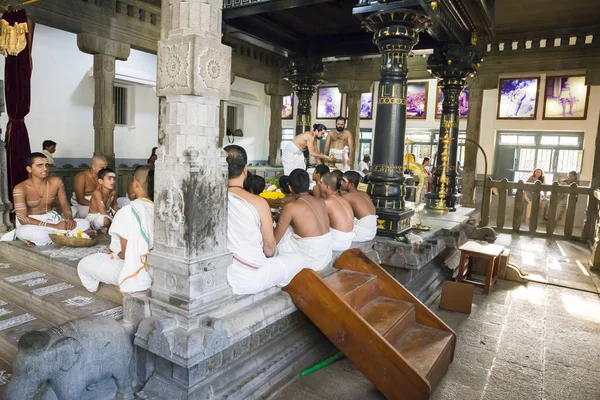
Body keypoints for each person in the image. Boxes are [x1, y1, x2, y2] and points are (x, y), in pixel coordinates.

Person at [223, 145, 304, 295]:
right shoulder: (258, 203)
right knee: (299, 260)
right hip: (248, 276)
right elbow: (269, 248)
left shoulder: (212, 199)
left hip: (221, 272)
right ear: (245, 169)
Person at [77, 166, 154, 293]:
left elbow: (125, 255)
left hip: (138, 271)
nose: (112, 181)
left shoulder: (129, 211)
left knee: (85, 263)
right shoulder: (163, 210)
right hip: (161, 269)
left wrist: (114, 252)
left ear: (135, 184)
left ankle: (97, 291)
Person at [1, 153, 90, 246]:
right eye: (40, 165)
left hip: (51, 219)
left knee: (85, 223)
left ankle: (56, 235)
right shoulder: (20, 188)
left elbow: (64, 204)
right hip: (31, 224)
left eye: (46, 165)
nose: (45, 168)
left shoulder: (57, 182)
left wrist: (69, 219)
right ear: (29, 169)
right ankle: (64, 234)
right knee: (37, 234)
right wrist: (55, 226)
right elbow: (23, 219)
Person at [275, 169, 333, 271]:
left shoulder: (290, 207)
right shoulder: (321, 201)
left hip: (309, 260)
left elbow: (276, 240)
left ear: (290, 187)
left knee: (283, 233)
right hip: (326, 255)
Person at [320, 172, 355, 251]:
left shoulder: (327, 203)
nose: (320, 184)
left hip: (336, 243)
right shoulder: (344, 200)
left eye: (321, 183)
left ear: (327, 187)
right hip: (348, 242)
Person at [342, 171, 377, 242]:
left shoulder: (347, 196)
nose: (341, 183)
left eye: (344, 181)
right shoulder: (364, 194)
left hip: (362, 234)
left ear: (351, 185)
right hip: (372, 232)